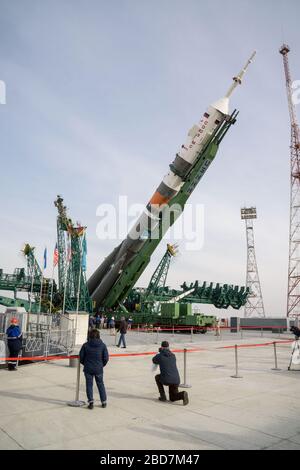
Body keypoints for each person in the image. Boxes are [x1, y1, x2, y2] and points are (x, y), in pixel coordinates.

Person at [79, 329, 109, 409]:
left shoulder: (85, 345)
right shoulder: (102, 345)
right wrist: (101, 365)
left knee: (89, 385)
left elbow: (81, 357)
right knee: (100, 385)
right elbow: (106, 358)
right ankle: (104, 402)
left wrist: (85, 364)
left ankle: (91, 402)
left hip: (88, 368)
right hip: (98, 368)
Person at [152, 340, 189, 406]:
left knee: (157, 377)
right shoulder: (173, 355)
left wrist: (160, 352)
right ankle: (183, 394)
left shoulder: (160, 356)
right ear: (168, 347)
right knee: (172, 398)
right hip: (176, 380)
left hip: (166, 379)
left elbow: (154, 360)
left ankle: (163, 396)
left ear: (161, 347)